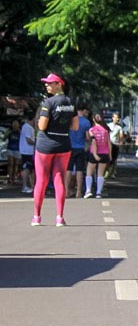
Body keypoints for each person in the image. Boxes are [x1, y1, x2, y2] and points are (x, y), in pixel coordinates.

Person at [32, 73, 79, 226]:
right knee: (59, 180)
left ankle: (37, 217)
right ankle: (60, 217)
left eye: (50, 83)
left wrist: (40, 120)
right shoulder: (71, 103)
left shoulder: (48, 102)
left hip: (45, 145)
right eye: (46, 83)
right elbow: (75, 126)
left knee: (41, 181)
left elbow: (42, 126)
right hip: (64, 143)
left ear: (59, 84)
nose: (47, 85)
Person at [84, 110, 112, 198]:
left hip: (93, 153)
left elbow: (93, 142)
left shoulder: (91, 130)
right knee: (100, 173)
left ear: (93, 120)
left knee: (89, 172)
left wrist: (95, 154)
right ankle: (98, 192)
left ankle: (88, 190)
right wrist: (110, 155)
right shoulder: (106, 130)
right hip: (104, 153)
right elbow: (109, 143)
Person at [66, 108, 91, 198]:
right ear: (83, 110)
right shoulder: (86, 122)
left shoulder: (70, 120)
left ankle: (66, 191)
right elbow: (88, 137)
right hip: (80, 147)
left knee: (68, 169)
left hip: (70, 147)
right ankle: (78, 192)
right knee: (79, 170)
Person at [19, 116, 35, 194]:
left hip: (27, 151)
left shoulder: (25, 127)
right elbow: (28, 140)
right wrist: (37, 143)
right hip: (27, 151)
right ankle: (24, 186)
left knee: (30, 169)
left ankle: (32, 186)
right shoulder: (28, 127)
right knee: (26, 169)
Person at [107, 112, 124, 179]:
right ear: (112, 118)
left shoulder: (119, 127)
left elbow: (121, 136)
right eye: (115, 117)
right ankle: (107, 171)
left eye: (118, 117)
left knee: (114, 159)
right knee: (108, 158)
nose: (117, 119)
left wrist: (121, 142)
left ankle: (113, 172)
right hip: (108, 144)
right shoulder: (108, 125)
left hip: (115, 145)